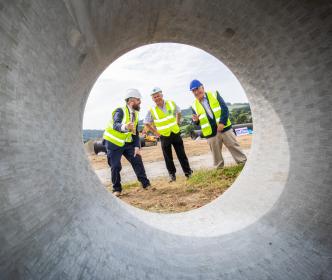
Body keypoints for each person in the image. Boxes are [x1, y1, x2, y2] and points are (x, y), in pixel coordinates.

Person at [103, 89, 151, 197]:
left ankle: (146, 184)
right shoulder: (120, 111)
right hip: (113, 143)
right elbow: (116, 124)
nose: (140, 102)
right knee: (115, 166)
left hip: (127, 143)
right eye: (138, 100)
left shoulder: (136, 114)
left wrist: (137, 146)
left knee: (137, 160)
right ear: (131, 101)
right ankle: (117, 189)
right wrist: (125, 126)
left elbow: (135, 133)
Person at [190, 79, 247, 169]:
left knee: (233, 146)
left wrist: (222, 123)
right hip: (210, 133)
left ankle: (243, 164)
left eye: (197, 89)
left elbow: (224, 109)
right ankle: (219, 170)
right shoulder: (193, 105)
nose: (196, 92)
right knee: (216, 155)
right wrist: (196, 120)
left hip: (224, 128)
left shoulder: (214, 94)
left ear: (202, 87)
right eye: (194, 91)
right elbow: (196, 122)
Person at [144, 87, 192, 182]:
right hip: (164, 136)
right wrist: (155, 133)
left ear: (162, 95)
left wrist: (177, 123)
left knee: (181, 154)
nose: (157, 98)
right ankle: (172, 175)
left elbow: (178, 112)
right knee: (168, 157)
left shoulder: (171, 103)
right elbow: (146, 122)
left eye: (158, 95)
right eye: (154, 97)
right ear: (152, 99)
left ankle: (188, 173)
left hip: (175, 132)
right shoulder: (151, 110)